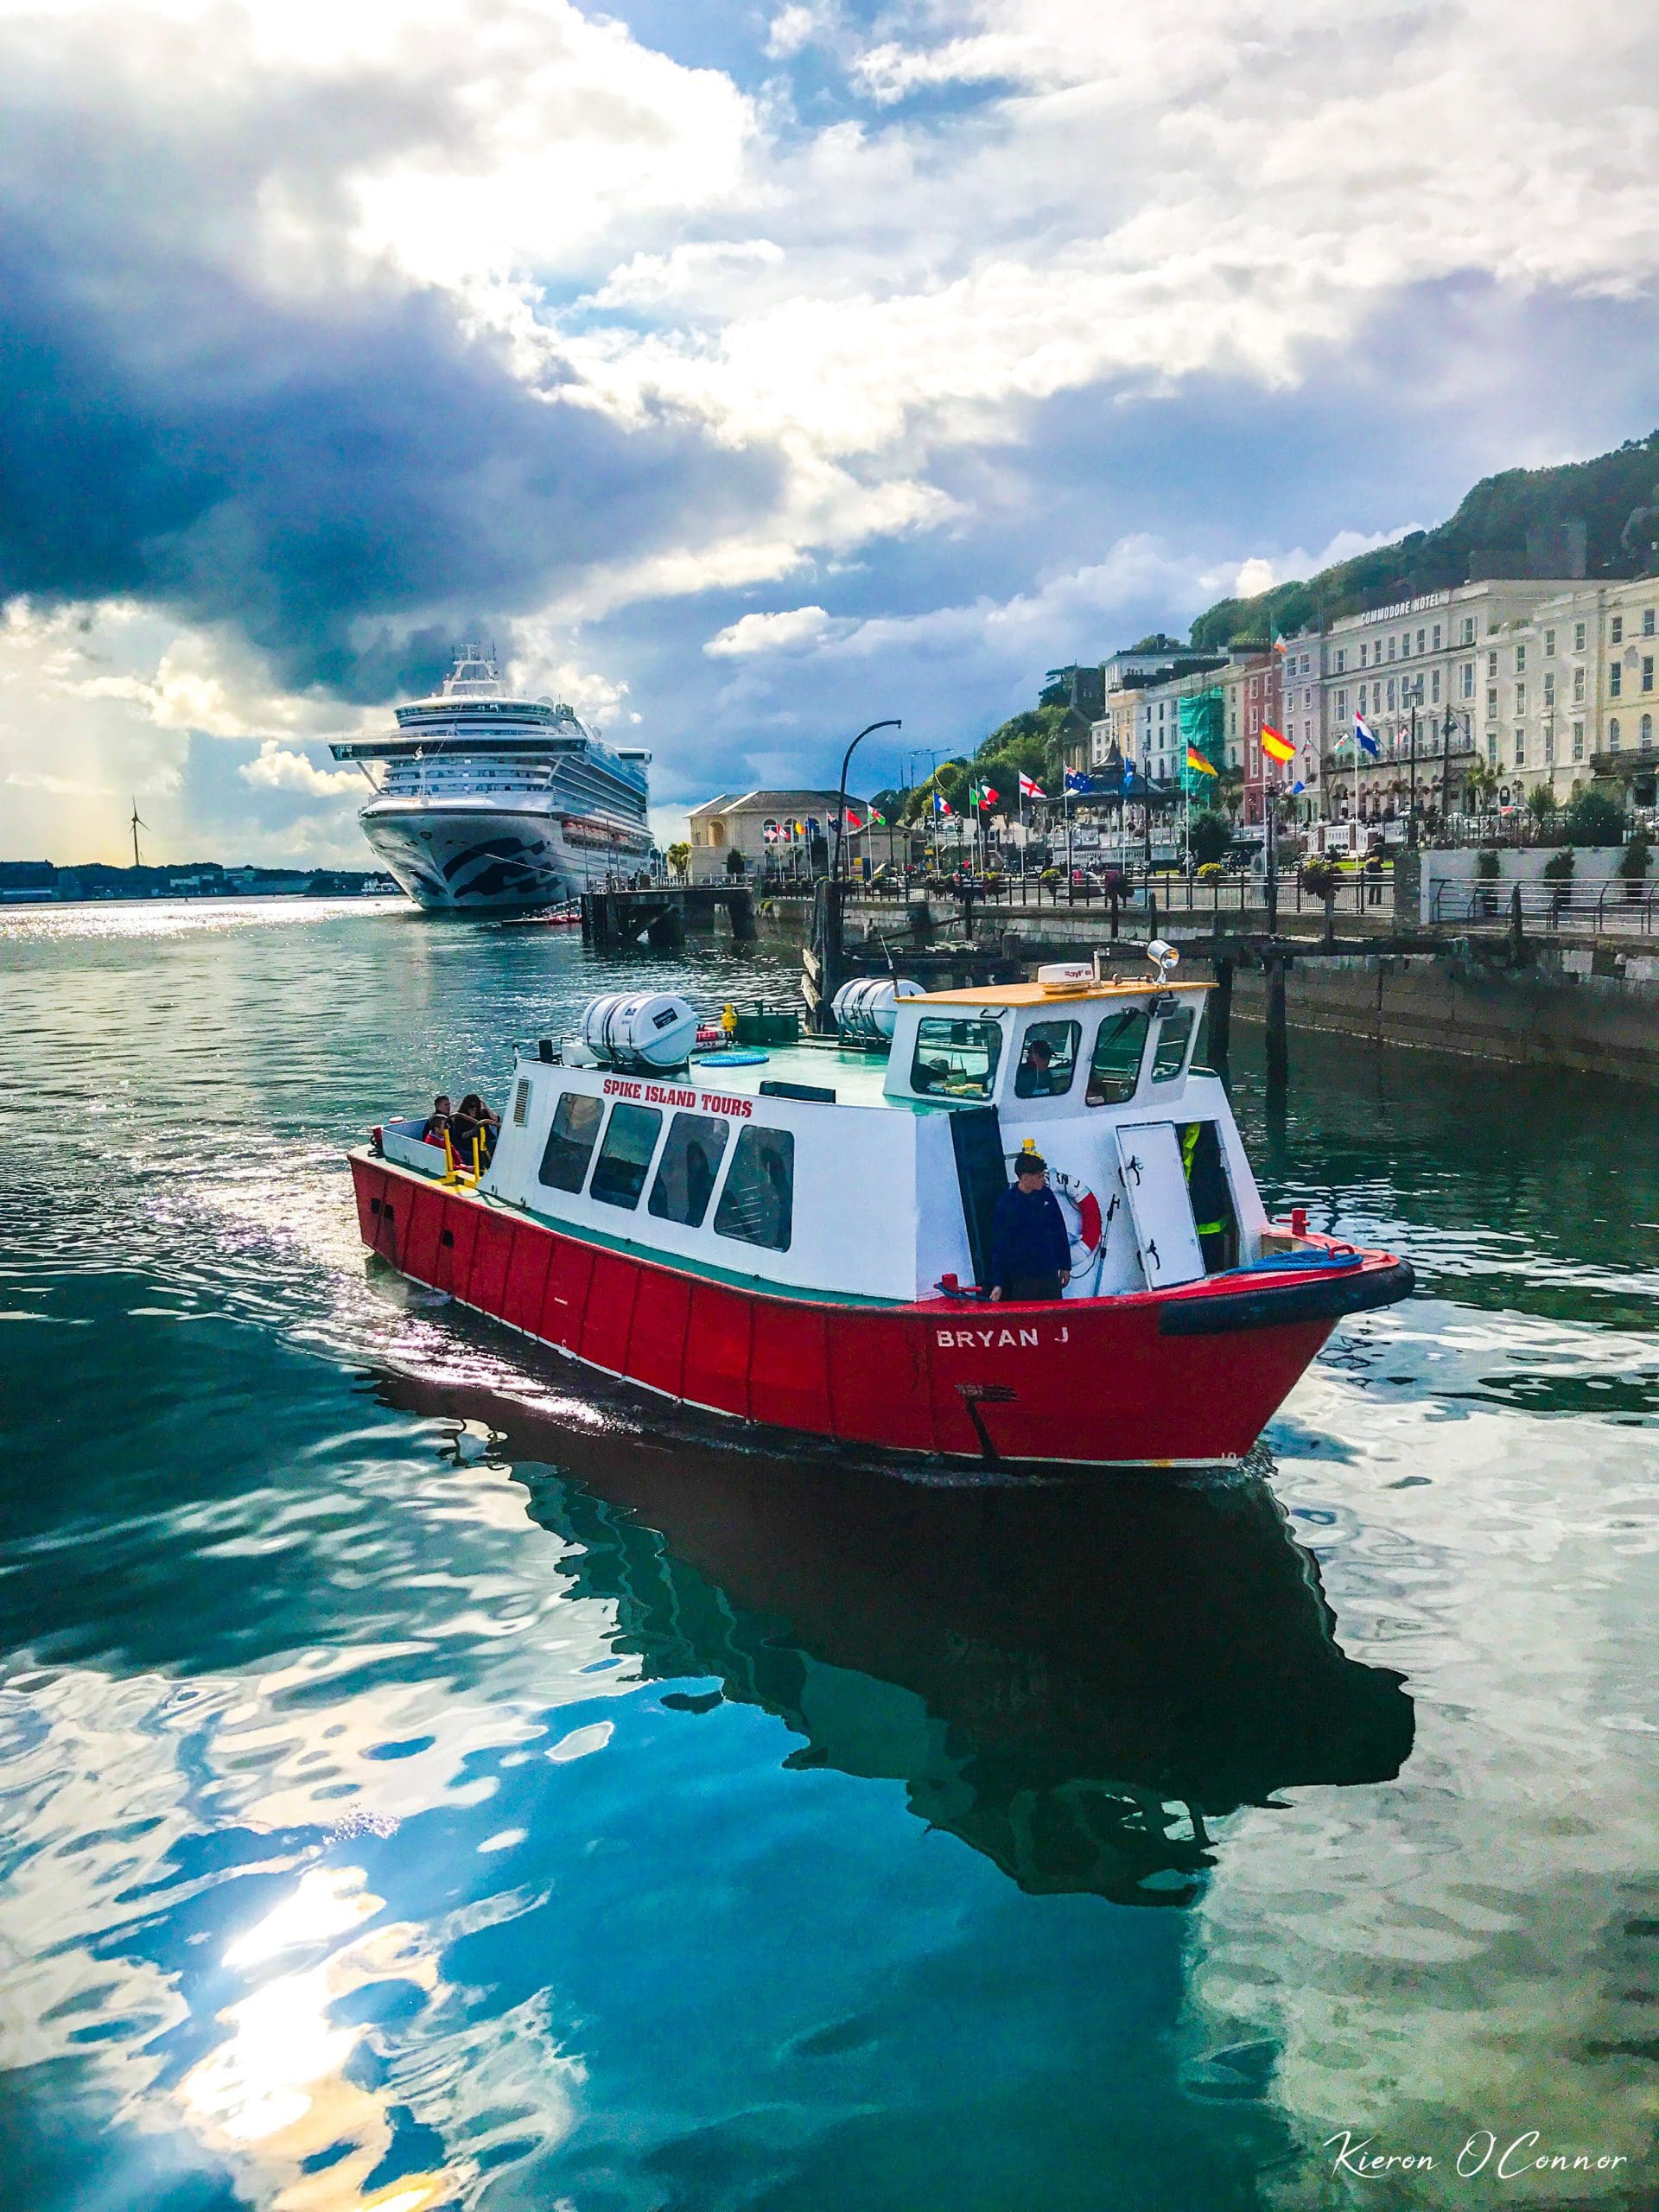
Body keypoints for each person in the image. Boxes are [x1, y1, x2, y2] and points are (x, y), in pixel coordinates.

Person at [988, 1150, 1071, 1301]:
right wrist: (998, 1283)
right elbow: (1000, 1245)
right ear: (1025, 1177)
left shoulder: (1046, 1196)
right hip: (1022, 1277)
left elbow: (1059, 1230)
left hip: (1049, 1271)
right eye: (1039, 1176)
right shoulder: (1007, 1203)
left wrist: (1065, 1265)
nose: (1043, 1180)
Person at [451, 1092, 500, 1166]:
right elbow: (462, 1136)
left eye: (476, 1107)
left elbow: (495, 1119)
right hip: (471, 1143)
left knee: (497, 1144)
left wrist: (485, 1105)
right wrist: (474, 1130)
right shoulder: (460, 1117)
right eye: (471, 1107)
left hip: (486, 1139)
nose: (473, 1109)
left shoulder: (482, 1113)